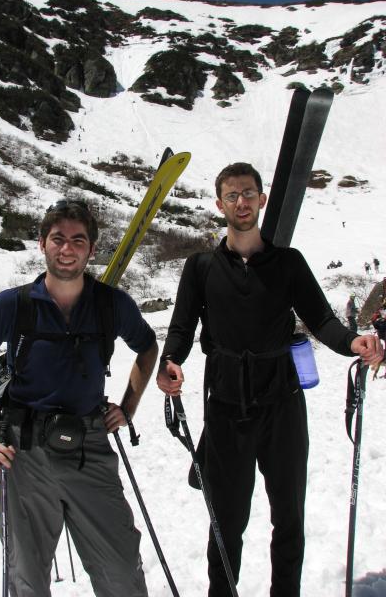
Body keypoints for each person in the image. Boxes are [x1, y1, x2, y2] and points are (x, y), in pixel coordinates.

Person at [156, 162, 383, 597]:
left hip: (283, 403)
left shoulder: (288, 264)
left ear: (262, 199)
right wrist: (170, 360)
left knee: (289, 518)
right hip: (226, 407)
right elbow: (181, 328)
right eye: (232, 195)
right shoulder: (201, 267)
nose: (241, 202)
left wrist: (353, 342)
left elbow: (321, 319)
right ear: (219, 204)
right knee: (226, 521)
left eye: (248, 193)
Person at [0, 201, 158, 597]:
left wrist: (128, 407)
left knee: (121, 570)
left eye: (78, 240)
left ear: (91, 249)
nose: (67, 248)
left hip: (89, 446)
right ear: (42, 243)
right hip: (23, 453)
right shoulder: (13, 305)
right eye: (58, 239)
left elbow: (147, 348)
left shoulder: (111, 304)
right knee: (27, 578)